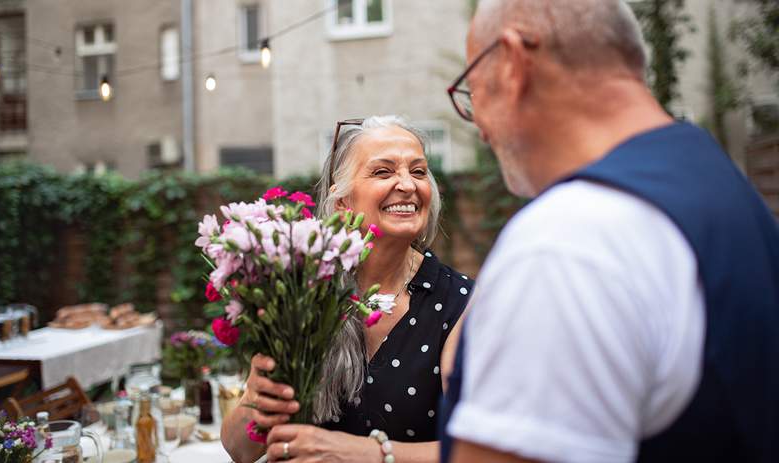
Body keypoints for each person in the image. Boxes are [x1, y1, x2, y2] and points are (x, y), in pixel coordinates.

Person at [440, 1, 779, 462]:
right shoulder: (722, 182)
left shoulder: (567, 242)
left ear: (515, 61)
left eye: (473, 93)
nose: (478, 127)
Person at [221, 115, 474, 463]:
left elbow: (476, 452)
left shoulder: (459, 304)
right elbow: (239, 450)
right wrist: (256, 400)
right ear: (342, 203)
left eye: (418, 172)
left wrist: (367, 454)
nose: (407, 184)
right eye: (383, 172)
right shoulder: (304, 292)